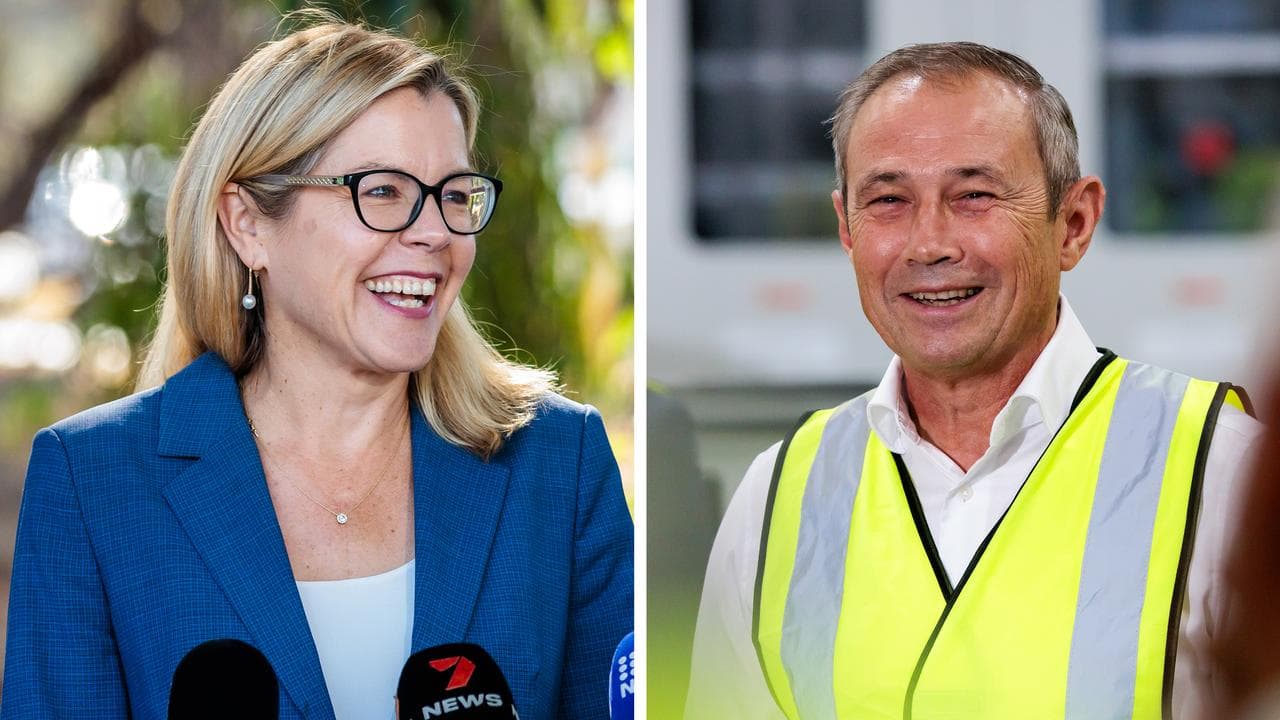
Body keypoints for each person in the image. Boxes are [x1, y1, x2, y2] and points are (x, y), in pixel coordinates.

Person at [1, 18, 632, 720]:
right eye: (384, 191)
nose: (433, 233)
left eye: (455, 195)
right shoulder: (94, 484)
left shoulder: (559, 463)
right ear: (247, 223)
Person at [685, 42, 1263, 719]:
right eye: (889, 199)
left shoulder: (1225, 469)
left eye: (974, 195)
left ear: (1073, 224)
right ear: (845, 227)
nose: (930, 243)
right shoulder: (776, 497)